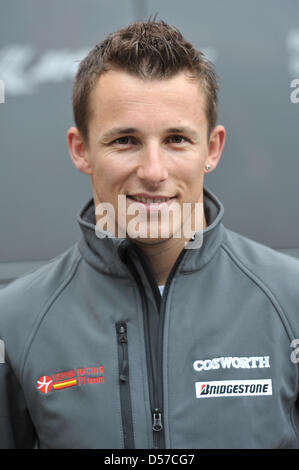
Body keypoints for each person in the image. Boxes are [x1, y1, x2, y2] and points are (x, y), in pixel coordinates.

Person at [1, 18, 299, 450]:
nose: (153, 172)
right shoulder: (15, 322)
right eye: (125, 141)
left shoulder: (290, 302)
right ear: (81, 150)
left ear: (212, 149)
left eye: (177, 139)